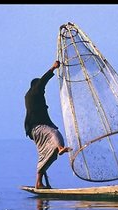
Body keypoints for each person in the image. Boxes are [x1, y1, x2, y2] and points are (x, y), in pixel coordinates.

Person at [24, 60, 72, 189]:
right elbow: (42, 82)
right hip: (37, 127)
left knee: (46, 154)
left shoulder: (31, 97)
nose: (43, 92)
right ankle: (61, 148)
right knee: (54, 133)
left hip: (34, 129)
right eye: (41, 89)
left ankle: (39, 183)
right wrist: (53, 68)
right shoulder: (34, 92)